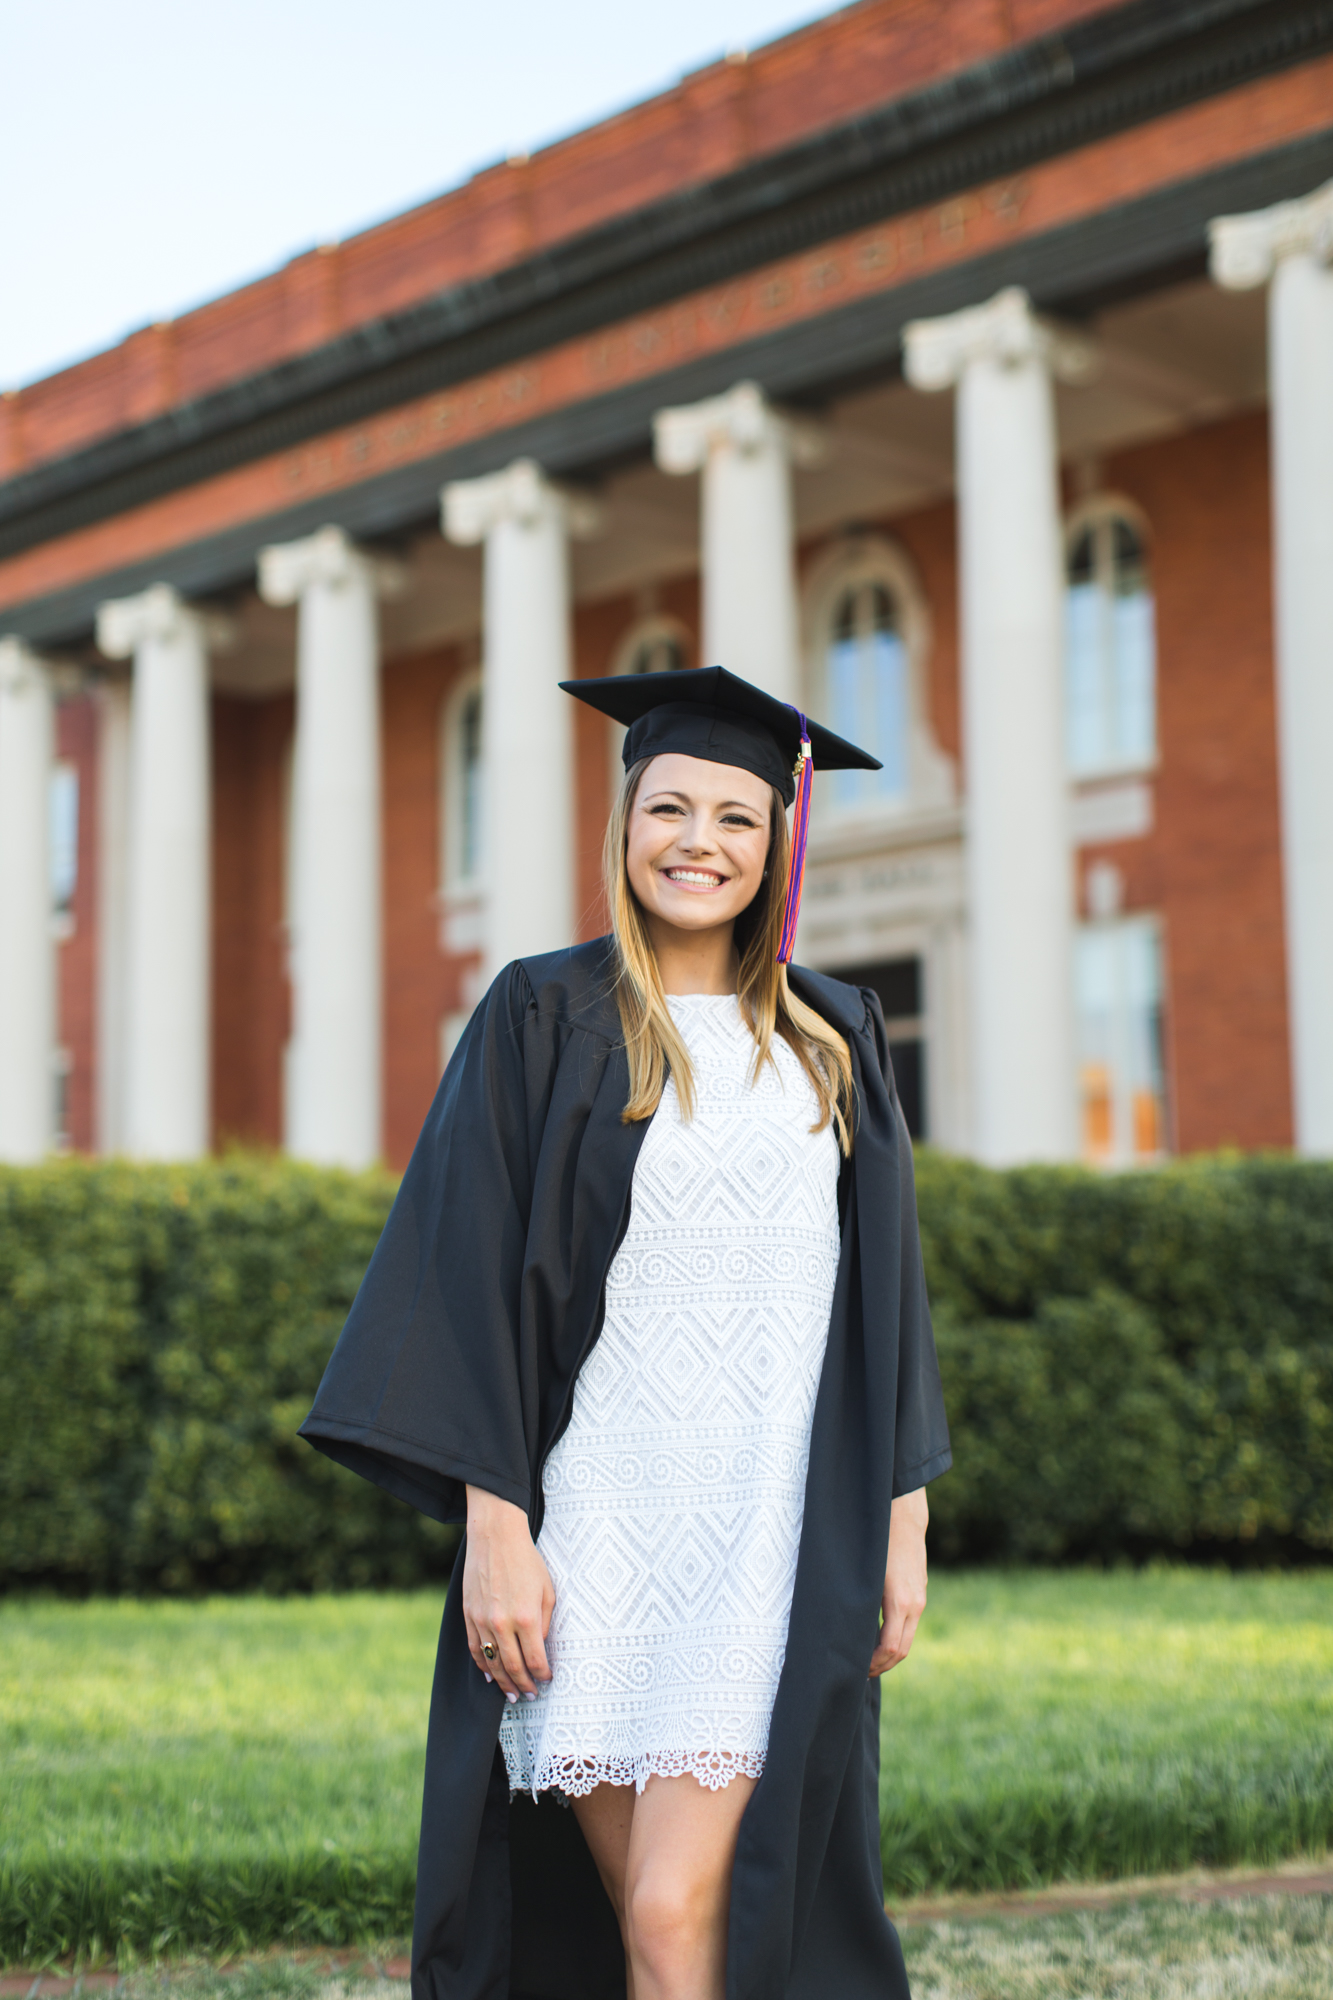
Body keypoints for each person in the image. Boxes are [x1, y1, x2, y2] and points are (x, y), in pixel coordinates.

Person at [300, 665, 951, 2000]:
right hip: (597, 1529)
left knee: (670, 1909)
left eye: (734, 818)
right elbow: (469, 1276)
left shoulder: (834, 1035)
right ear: (624, 824)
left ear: (776, 844)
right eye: (669, 809)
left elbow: (887, 1295)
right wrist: (497, 1536)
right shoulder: (545, 1016)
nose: (697, 843)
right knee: (643, 1925)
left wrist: (902, 1521)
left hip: (771, 1528)